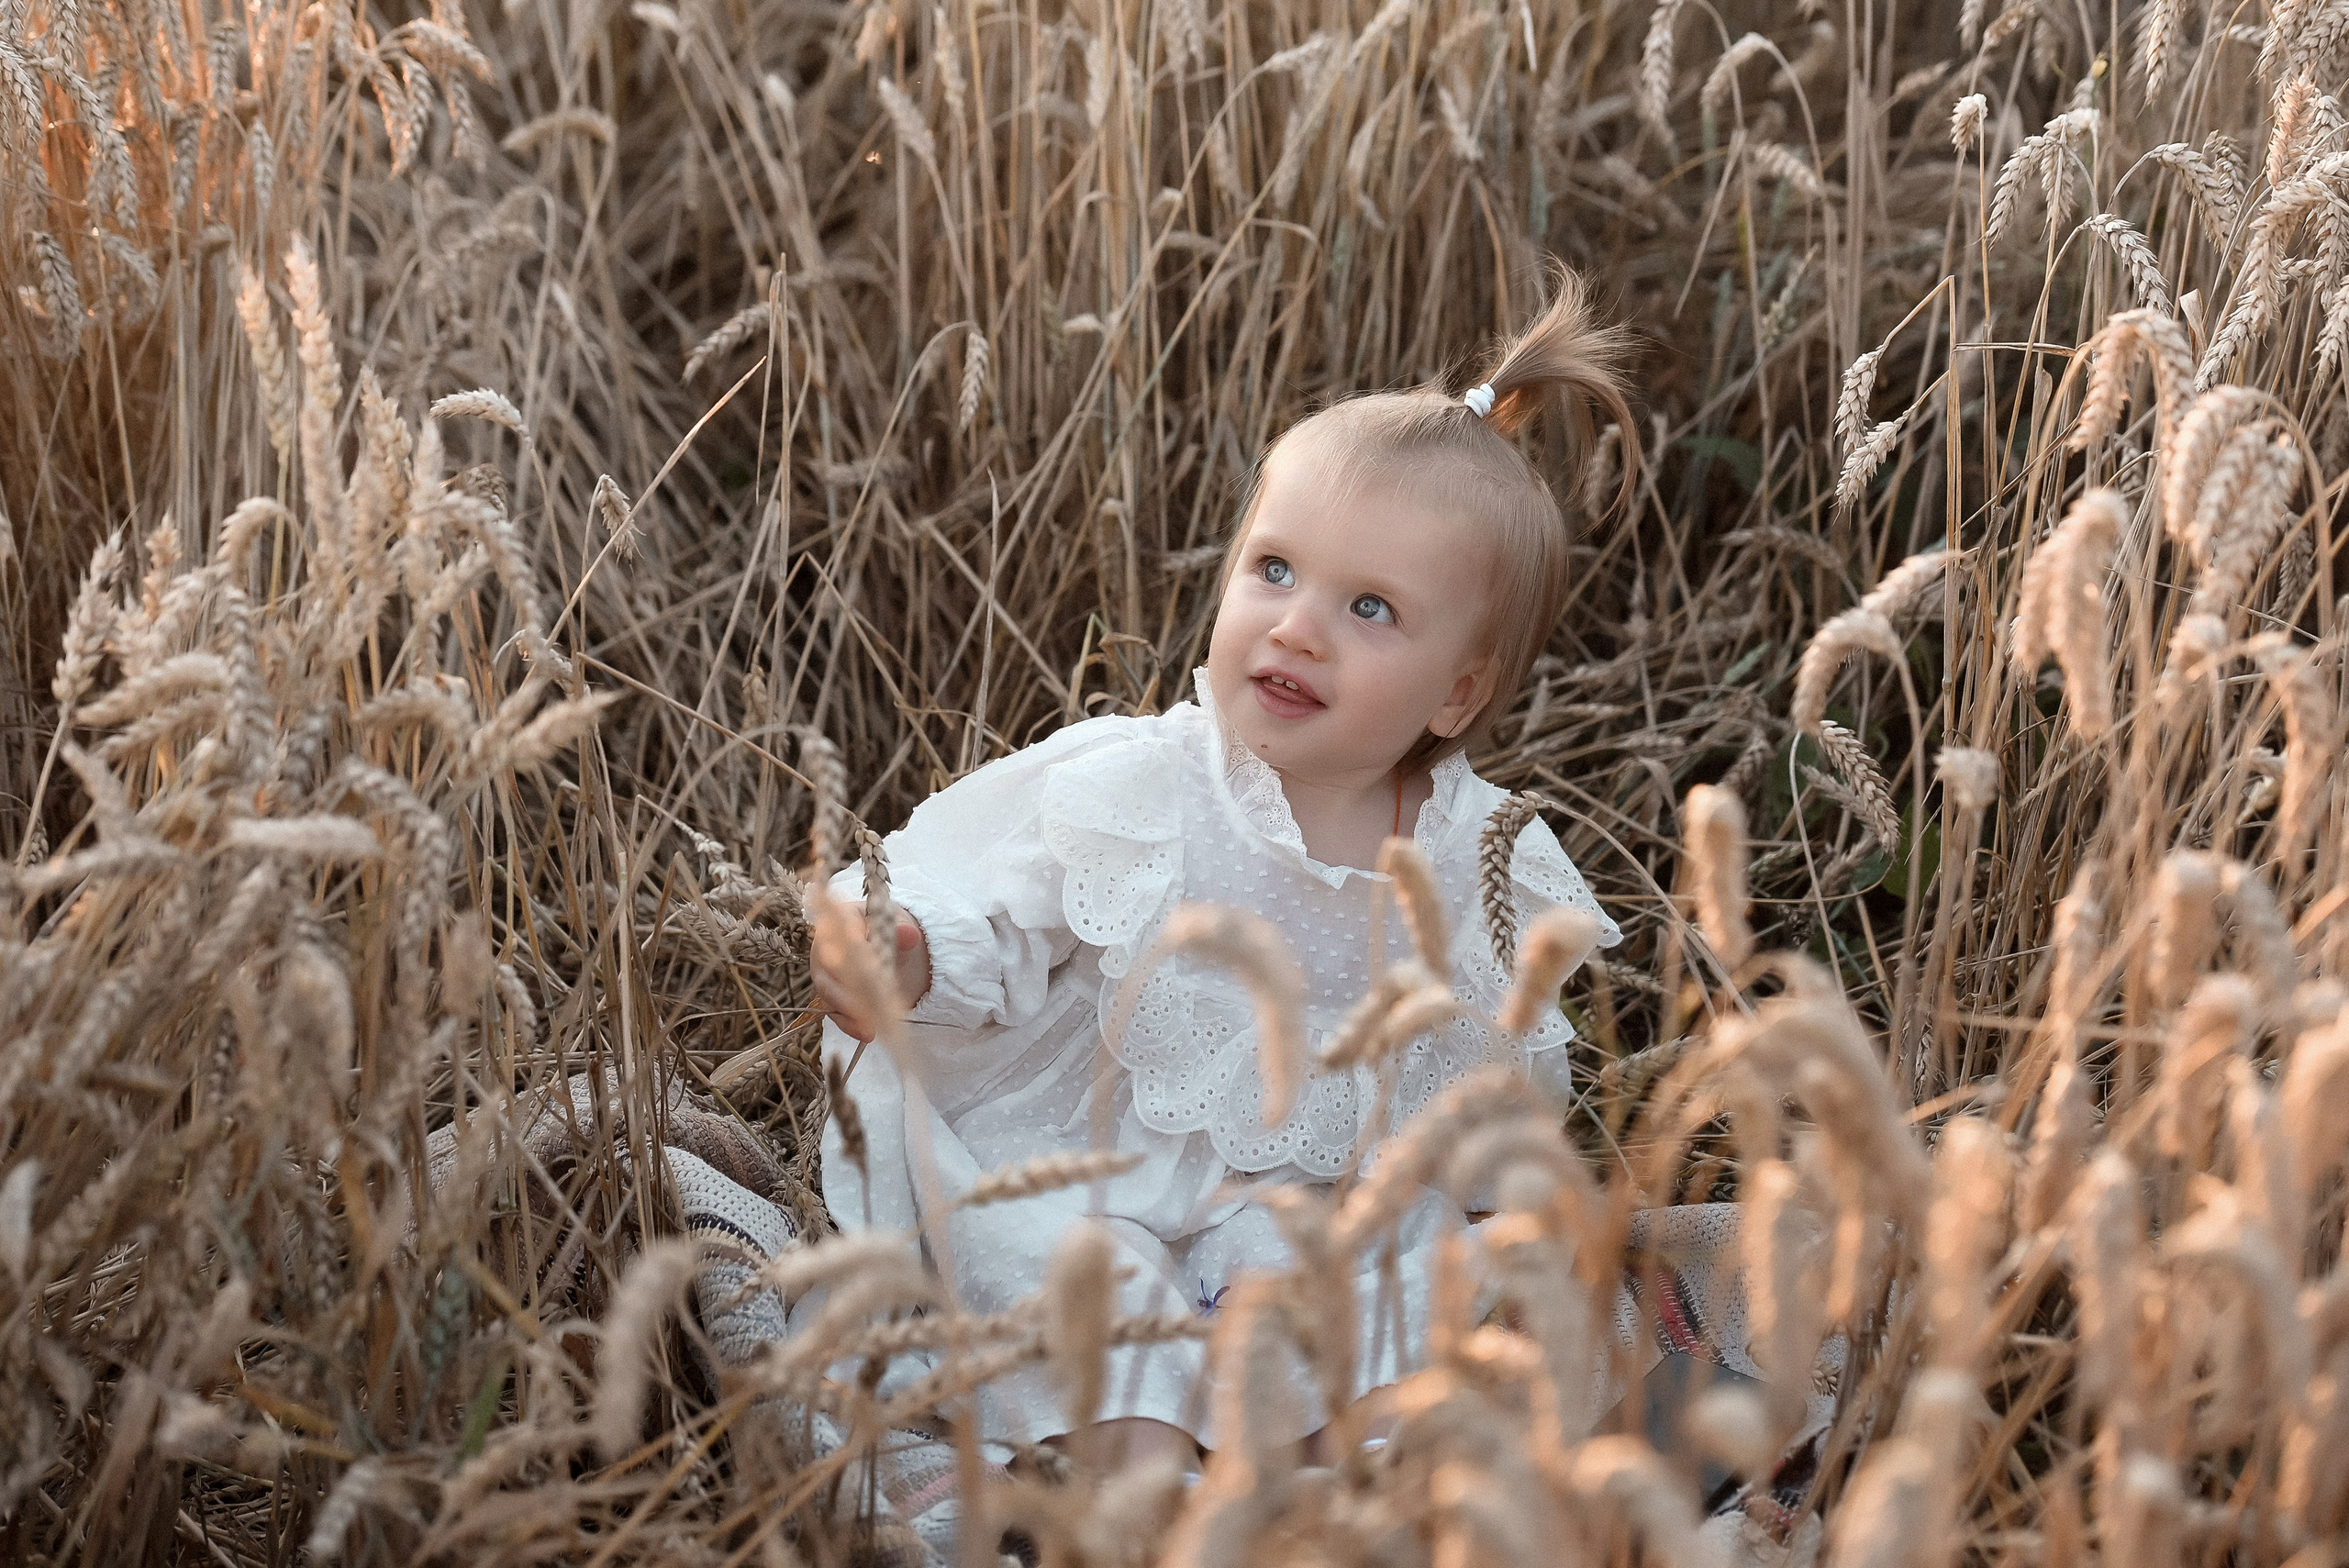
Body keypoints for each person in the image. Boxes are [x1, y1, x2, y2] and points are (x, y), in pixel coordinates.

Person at [808, 268, 1634, 1475]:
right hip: (1096, 1178)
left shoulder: (1482, 861)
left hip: (1310, 1225)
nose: (1297, 627)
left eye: (1369, 607)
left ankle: (1331, 1497)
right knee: (1099, 1318)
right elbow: (1008, 912)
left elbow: (1490, 1093)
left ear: (1459, 691)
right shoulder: (1144, 787)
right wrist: (915, 952)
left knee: (1384, 1358)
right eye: (1275, 571)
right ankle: (1148, 1502)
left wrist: (1518, 1207)